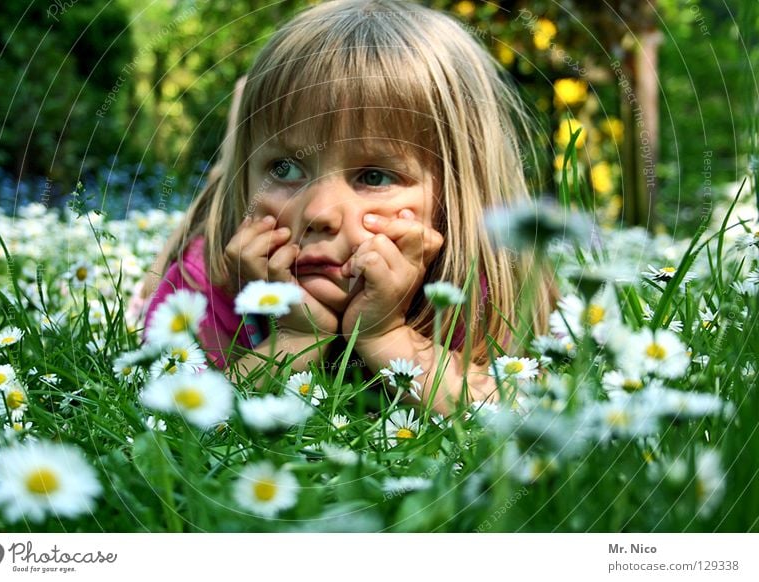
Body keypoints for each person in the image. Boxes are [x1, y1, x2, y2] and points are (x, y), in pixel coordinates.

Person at [139, 0, 558, 417]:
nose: (320, 212)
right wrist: (294, 339)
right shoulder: (209, 277)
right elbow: (174, 420)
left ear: (456, 196)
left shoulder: (477, 286)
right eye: (284, 168)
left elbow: (512, 417)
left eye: (374, 177)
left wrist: (386, 334)